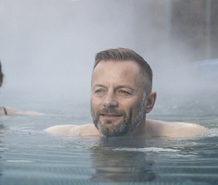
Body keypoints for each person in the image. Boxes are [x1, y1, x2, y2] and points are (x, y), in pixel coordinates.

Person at [46, 48, 207, 138]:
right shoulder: (59, 135)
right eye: (100, 91)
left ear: (149, 102)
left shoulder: (188, 137)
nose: (108, 102)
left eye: (123, 91)